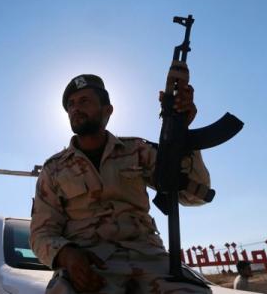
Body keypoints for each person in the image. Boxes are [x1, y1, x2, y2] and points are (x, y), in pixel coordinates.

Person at [30, 67, 215, 293]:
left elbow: (194, 195)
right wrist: (68, 256)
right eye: (71, 104)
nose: (75, 108)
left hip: (150, 260)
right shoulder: (53, 170)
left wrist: (181, 131)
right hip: (89, 264)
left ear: (107, 110)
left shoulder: (137, 151)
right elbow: (41, 234)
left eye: (84, 101)